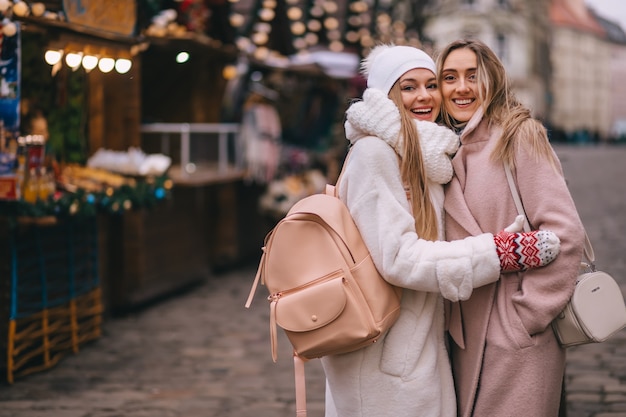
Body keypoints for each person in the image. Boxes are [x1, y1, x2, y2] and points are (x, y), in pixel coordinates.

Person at [320, 44, 561, 417]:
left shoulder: (423, 156)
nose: (424, 96)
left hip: (414, 351)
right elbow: (399, 258)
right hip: (383, 360)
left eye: (431, 84)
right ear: (386, 94)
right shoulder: (375, 155)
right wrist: (497, 252)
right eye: (408, 87)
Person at [437, 39, 586, 417]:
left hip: (517, 336)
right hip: (463, 338)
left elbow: (565, 233)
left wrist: (525, 317)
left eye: (473, 76)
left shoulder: (519, 136)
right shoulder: (442, 152)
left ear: (493, 78)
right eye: (449, 77)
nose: (461, 88)